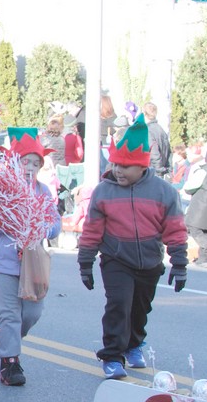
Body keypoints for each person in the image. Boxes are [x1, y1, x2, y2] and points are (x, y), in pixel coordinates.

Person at [78, 115, 188, 379]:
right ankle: (112, 355)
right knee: (118, 304)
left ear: (142, 167)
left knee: (140, 308)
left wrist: (180, 264)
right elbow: (92, 229)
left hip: (150, 260)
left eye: (126, 167)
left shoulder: (164, 192)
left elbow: (174, 229)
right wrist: (86, 263)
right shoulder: (104, 191)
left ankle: (134, 343)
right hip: (116, 259)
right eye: (116, 164)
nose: (118, 171)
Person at [0, 129, 61, 386]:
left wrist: (41, 227)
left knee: (32, 313)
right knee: (10, 314)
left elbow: (54, 223)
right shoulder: (3, 190)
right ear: (13, 162)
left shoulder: (43, 192)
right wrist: (6, 221)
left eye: (35, 162)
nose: (29, 167)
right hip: (5, 262)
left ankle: (9, 338)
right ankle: (10, 363)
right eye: (24, 161)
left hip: (34, 263)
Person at [143, 102, 172, 180]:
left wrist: (159, 171)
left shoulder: (148, 131)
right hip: (162, 170)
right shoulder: (161, 129)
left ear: (144, 114)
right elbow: (169, 152)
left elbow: (154, 153)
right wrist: (168, 170)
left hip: (154, 173)